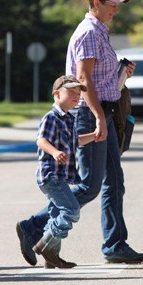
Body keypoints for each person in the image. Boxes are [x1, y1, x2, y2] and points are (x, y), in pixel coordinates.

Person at [16, 0, 143, 265]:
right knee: (89, 185)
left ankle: (115, 244)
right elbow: (84, 79)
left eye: (118, 3)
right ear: (95, 3)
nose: (116, 8)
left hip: (105, 111)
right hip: (92, 113)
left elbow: (99, 79)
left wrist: (121, 76)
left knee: (114, 181)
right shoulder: (89, 32)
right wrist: (100, 118)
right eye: (111, 3)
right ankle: (33, 227)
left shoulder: (100, 32)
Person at [28, 75, 96, 268]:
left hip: (60, 176)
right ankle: (44, 243)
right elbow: (41, 140)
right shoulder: (51, 117)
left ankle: (52, 257)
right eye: (72, 92)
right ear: (57, 94)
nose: (76, 96)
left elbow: (76, 141)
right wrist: (55, 151)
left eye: (78, 93)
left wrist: (94, 136)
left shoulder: (68, 119)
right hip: (51, 175)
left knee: (55, 214)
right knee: (71, 210)